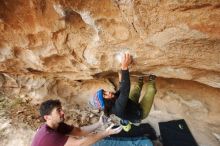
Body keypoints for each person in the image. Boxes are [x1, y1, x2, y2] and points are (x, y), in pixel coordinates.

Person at [89, 53, 157, 130]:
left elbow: (121, 89)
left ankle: (140, 81)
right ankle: (151, 81)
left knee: (136, 89)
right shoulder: (117, 109)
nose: (108, 92)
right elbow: (125, 90)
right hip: (140, 113)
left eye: (104, 91)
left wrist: (120, 75)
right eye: (105, 95)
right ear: (105, 102)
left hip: (131, 105)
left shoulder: (113, 98)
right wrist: (124, 68)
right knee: (151, 90)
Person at [31, 99, 122, 146]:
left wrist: (99, 124)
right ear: (47, 117)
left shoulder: (57, 125)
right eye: (58, 111)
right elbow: (80, 144)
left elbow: (79, 131)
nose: (63, 112)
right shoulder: (49, 136)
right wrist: (105, 133)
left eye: (61, 109)